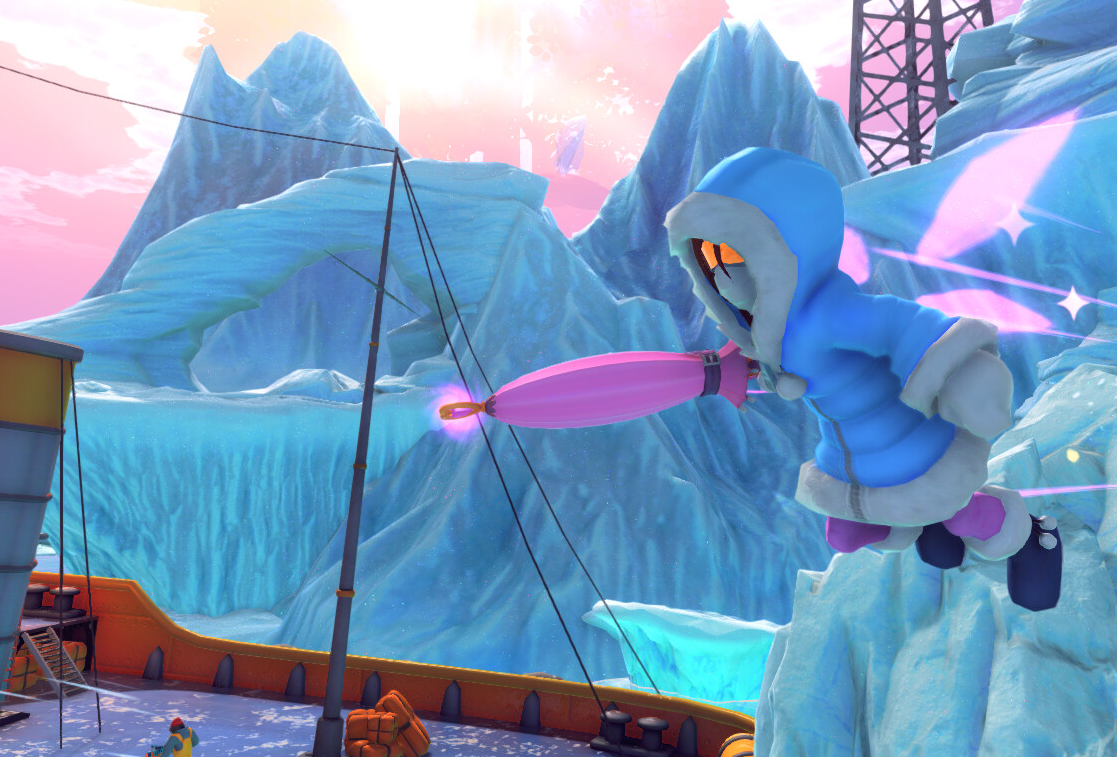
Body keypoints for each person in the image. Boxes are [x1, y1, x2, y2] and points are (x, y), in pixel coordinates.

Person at [448, 147, 1062, 610]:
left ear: (787, 253)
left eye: (732, 257)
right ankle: (937, 533)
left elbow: (903, 326)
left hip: (908, 441)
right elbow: (784, 373)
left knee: (957, 513)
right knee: (858, 530)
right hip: (852, 457)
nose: (721, 277)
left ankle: (1032, 538)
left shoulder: (830, 310)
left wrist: (958, 371)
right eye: (707, 261)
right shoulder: (770, 331)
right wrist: (724, 374)